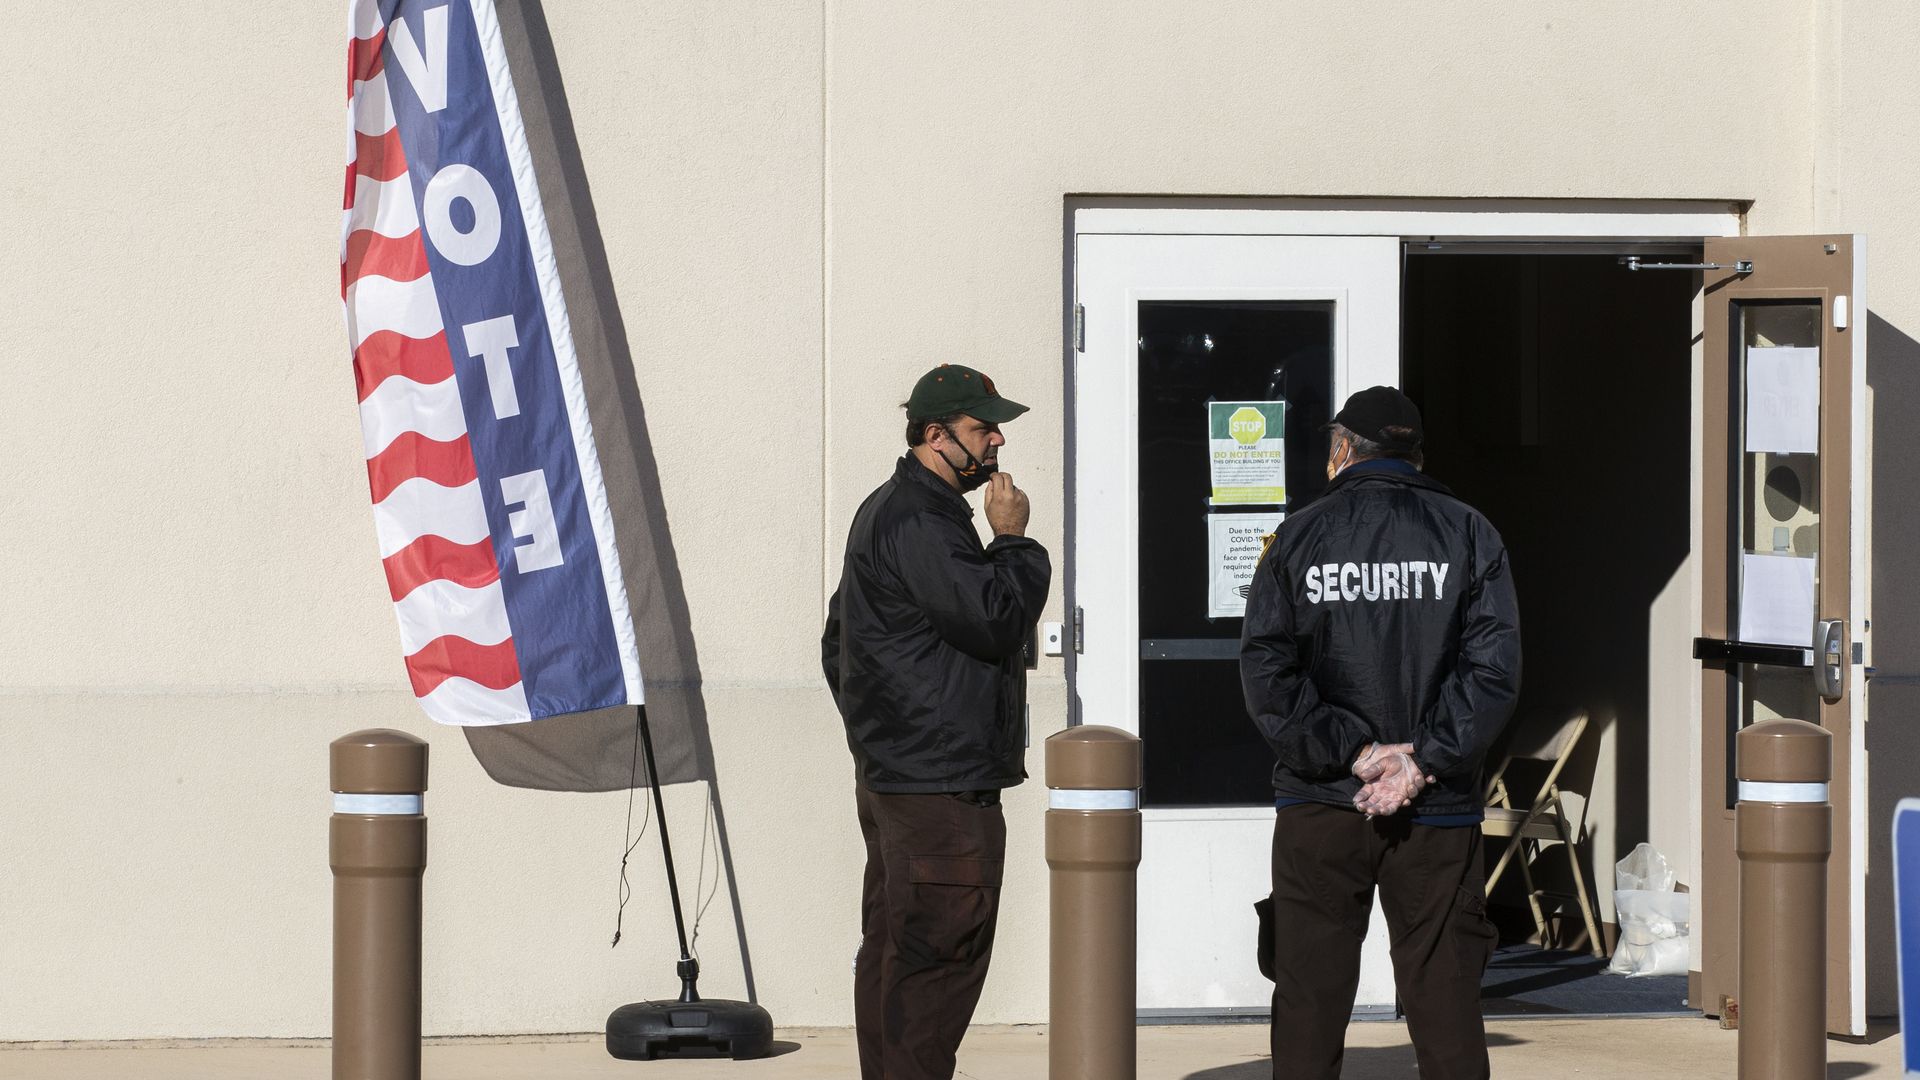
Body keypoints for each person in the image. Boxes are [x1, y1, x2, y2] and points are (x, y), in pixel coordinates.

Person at [1240, 386, 1521, 1080]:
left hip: (1322, 802)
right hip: (1437, 810)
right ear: (1416, 456)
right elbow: (1492, 671)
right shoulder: (1470, 531)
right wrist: (1422, 760)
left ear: (1342, 448)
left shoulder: (1297, 536)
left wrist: (1355, 753)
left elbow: (1268, 673)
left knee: (1310, 995)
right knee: (1444, 993)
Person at [822, 364, 1052, 1080]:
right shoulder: (923, 519)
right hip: (939, 788)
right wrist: (1012, 540)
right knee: (937, 965)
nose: (998, 442)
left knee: (896, 952)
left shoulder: (890, 509)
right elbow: (996, 619)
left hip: (903, 778)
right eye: (984, 428)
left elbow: (838, 644)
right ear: (935, 434)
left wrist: (880, 738)